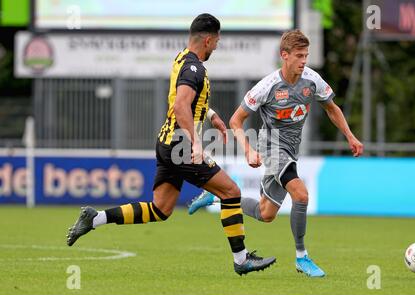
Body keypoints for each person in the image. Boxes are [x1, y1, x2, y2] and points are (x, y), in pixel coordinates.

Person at [66, 13, 276, 276]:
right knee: (231, 192)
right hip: (180, 146)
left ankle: (95, 218)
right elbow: (180, 105)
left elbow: (187, 99)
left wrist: (212, 116)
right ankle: (241, 259)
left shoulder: (182, 59)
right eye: (217, 41)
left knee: (160, 209)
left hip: (166, 142)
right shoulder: (195, 68)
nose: (217, 46)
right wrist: (196, 142)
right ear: (208, 39)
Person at [188, 29, 364, 277]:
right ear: (285, 55)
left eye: (306, 55)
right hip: (271, 146)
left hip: (291, 151)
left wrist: (350, 136)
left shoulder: (312, 80)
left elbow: (331, 108)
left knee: (266, 213)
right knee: (301, 195)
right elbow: (236, 120)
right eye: (300, 56)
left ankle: (215, 198)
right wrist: (248, 150)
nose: (304, 61)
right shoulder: (267, 86)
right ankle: (302, 258)